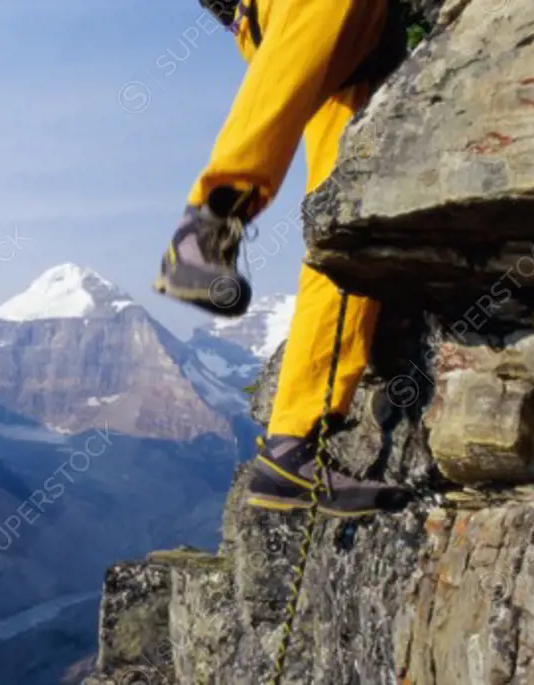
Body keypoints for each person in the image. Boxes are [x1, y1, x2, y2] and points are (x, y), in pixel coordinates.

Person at [153, 0, 412, 517]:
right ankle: (208, 223)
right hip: (309, 13)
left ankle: (291, 447)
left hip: (352, 33)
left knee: (352, 218)